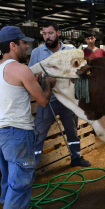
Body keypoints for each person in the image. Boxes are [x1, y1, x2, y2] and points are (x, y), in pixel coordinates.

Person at [0, 26, 56, 209]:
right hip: (18, 133)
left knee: (8, 176)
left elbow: (10, 91)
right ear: (12, 45)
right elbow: (43, 101)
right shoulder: (20, 69)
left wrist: (28, 84)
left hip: (0, 132)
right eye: (23, 42)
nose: (27, 46)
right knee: (21, 181)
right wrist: (48, 84)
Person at [29, 21, 91, 167]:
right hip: (47, 99)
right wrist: (36, 80)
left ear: (58, 33)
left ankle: (76, 157)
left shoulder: (70, 50)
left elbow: (80, 72)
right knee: (39, 133)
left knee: (72, 130)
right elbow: (29, 75)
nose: (47, 37)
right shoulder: (36, 53)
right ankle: (32, 165)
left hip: (67, 99)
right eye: (44, 34)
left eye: (50, 33)